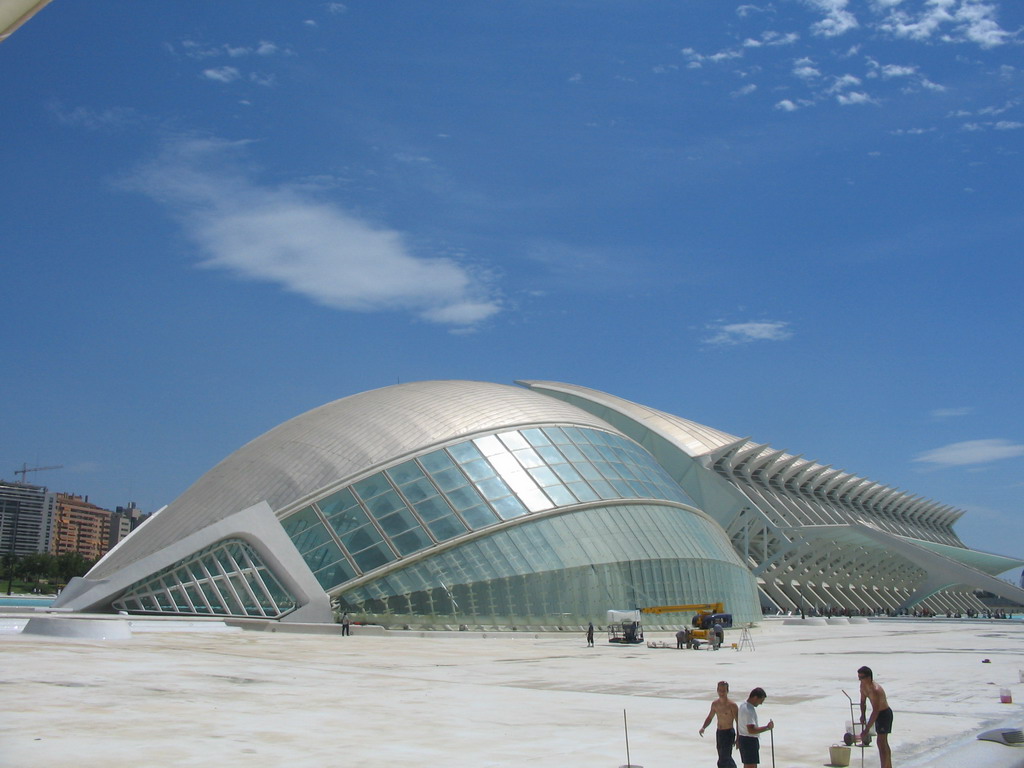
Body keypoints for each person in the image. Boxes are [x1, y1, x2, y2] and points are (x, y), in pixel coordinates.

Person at [858, 666, 893, 768]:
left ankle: (885, 766)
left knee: (881, 742)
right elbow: (863, 701)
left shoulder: (876, 690)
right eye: (859, 678)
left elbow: (875, 711)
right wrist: (862, 714)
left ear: (869, 677)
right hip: (878, 713)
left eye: (862, 678)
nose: (860, 680)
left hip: (884, 714)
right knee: (882, 742)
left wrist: (867, 729)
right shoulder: (863, 686)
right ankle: (888, 766)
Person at [699, 680, 739, 768]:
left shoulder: (732, 705)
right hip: (719, 733)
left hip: (728, 733)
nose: (721, 693)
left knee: (725, 757)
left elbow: (738, 722)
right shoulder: (715, 704)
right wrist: (703, 727)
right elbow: (710, 717)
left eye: (724, 691)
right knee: (721, 756)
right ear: (717, 690)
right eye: (720, 690)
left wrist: (738, 737)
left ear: (727, 691)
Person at [736, 687, 773, 768]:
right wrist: (767, 727)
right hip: (749, 741)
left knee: (748, 765)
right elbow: (751, 730)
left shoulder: (743, 705)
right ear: (755, 697)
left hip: (744, 740)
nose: (761, 703)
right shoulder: (748, 710)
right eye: (761, 700)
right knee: (751, 766)